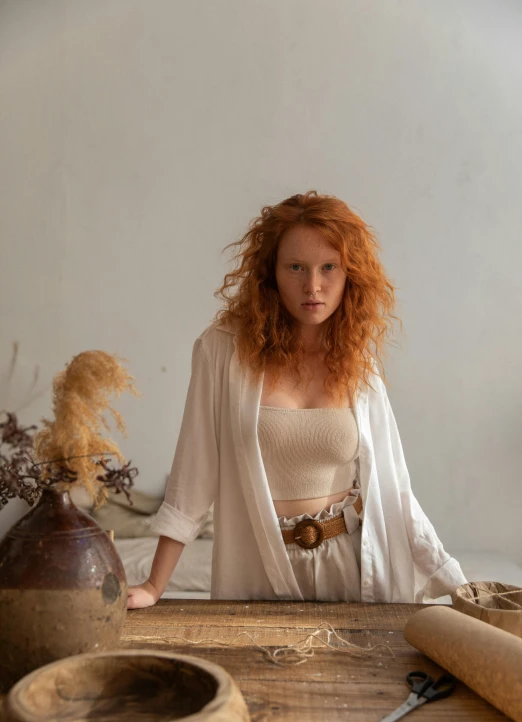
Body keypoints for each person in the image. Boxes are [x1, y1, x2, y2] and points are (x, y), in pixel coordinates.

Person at [127, 191, 466, 609]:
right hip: (260, 566)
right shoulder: (222, 350)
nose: (313, 286)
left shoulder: (358, 358)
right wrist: (153, 586)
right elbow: (192, 475)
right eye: (296, 268)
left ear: (350, 274)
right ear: (270, 272)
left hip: (351, 569)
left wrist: (457, 585)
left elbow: (393, 486)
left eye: (329, 268)